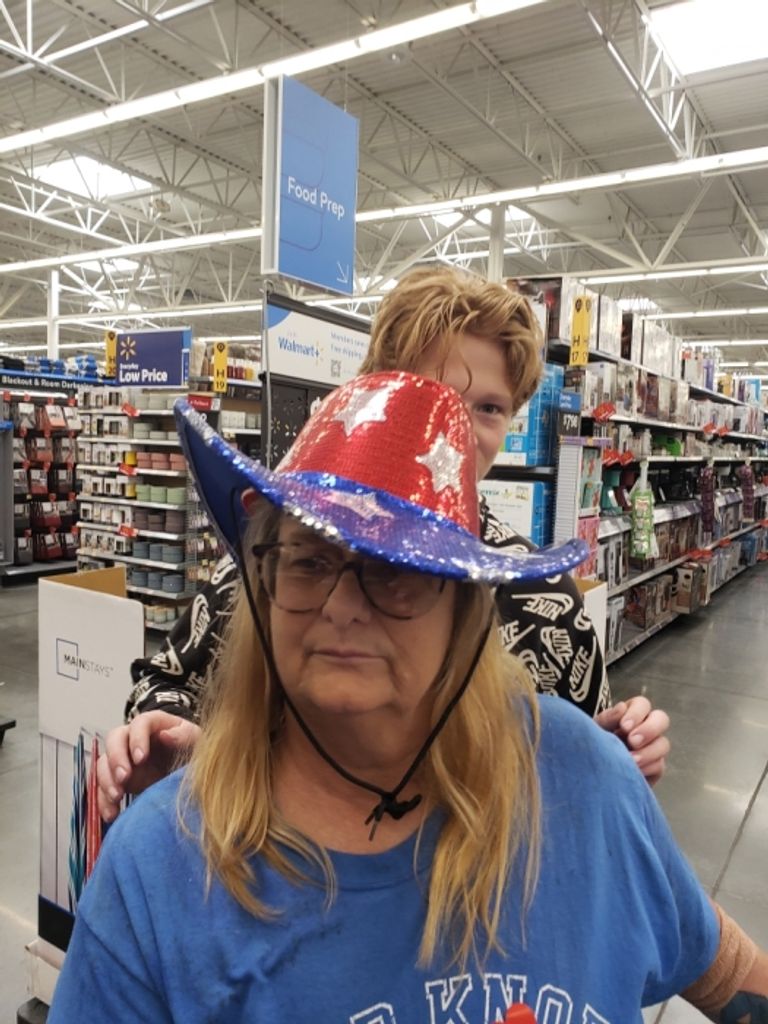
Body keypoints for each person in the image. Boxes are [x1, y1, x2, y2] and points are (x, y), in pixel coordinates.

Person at [51, 373, 768, 1022]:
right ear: (263, 582)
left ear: (464, 609)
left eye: (393, 571)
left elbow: (725, 972)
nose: (340, 606)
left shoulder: (583, 780)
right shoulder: (161, 871)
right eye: (308, 561)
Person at [97, 268, 671, 824]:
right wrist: (175, 735)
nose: (457, 428)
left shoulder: (543, 597)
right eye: (431, 394)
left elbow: (581, 741)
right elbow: (164, 680)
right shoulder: (279, 564)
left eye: (489, 408)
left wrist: (609, 756)